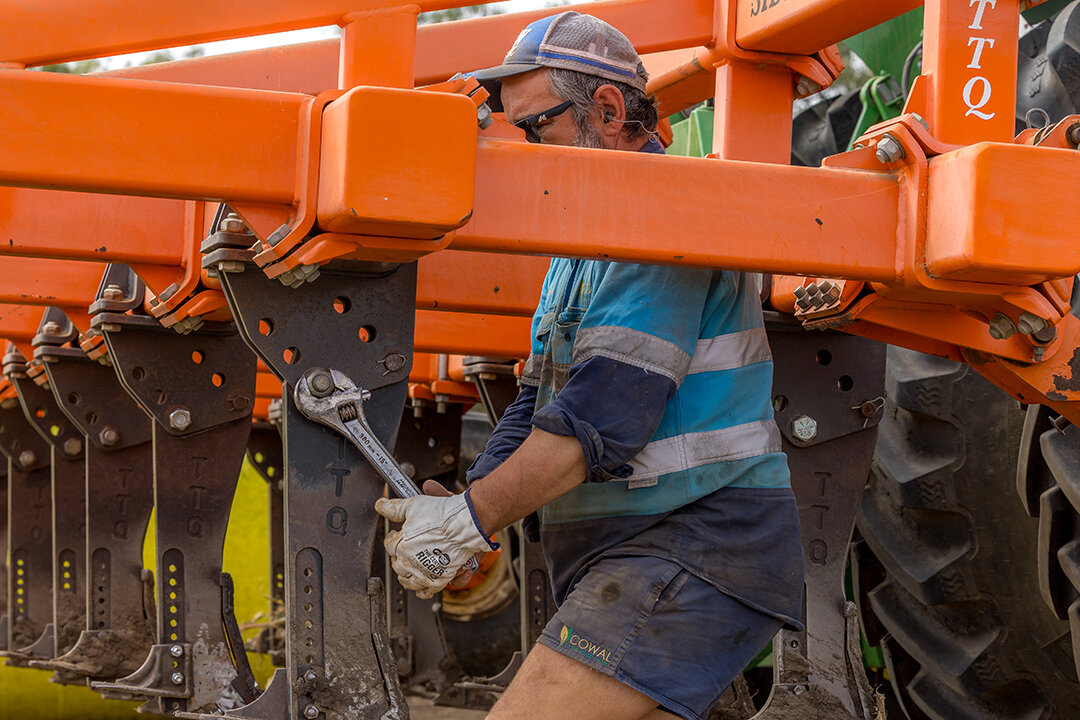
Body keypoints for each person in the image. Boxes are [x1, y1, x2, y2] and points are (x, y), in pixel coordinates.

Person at [374, 12, 804, 720]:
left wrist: (468, 523)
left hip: (693, 544)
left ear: (606, 109)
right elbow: (536, 402)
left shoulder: (661, 215)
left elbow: (598, 421)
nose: (526, 150)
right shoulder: (583, 246)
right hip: (650, 549)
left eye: (535, 128)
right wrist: (463, 508)